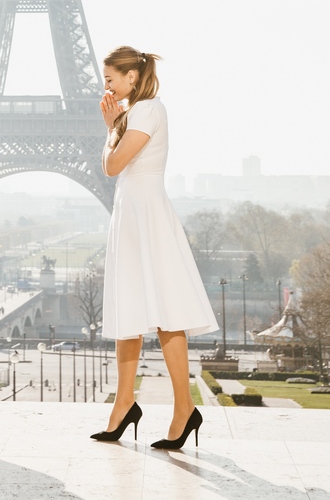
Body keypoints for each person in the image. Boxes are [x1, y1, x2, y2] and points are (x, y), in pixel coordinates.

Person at [91, 46, 218, 449]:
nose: (106, 85)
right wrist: (114, 125)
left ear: (131, 77)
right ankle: (124, 404)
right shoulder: (138, 112)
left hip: (144, 215)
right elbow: (117, 169)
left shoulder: (147, 110)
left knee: (166, 313)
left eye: (111, 78)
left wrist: (110, 127)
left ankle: (184, 408)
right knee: (130, 312)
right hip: (132, 214)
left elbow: (112, 166)